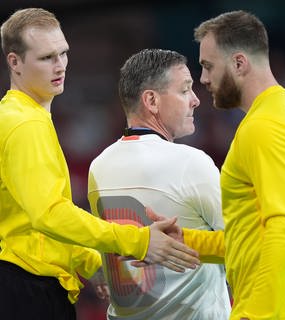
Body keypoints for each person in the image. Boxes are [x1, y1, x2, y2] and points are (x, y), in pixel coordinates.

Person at [0, 8, 200, 320]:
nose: (60, 65)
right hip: (27, 291)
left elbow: (30, 221)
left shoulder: (20, 117)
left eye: (63, 53)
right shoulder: (26, 125)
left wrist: (89, 262)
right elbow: (49, 215)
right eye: (46, 58)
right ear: (15, 62)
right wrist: (139, 240)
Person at [186, 9, 285, 320]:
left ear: (239, 63)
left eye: (208, 66)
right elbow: (256, 234)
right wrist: (188, 241)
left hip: (278, 311)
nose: (203, 78)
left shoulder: (265, 126)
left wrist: (256, 314)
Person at [88, 48, 231, 319]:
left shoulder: (99, 165)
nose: (195, 100)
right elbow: (243, 245)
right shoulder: (191, 162)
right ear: (152, 100)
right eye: (185, 90)